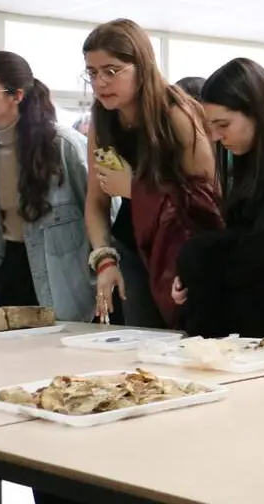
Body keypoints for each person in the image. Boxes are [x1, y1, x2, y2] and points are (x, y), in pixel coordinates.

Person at [83, 19, 221, 329]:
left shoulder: (177, 114)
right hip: (132, 248)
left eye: (111, 71)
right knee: (141, 345)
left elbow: (206, 203)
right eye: (92, 72)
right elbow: (96, 200)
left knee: (188, 340)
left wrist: (134, 188)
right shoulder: (102, 119)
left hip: (181, 249)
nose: (100, 82)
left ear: (142, 67)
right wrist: (105, 260)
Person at [173, 59, 264, 338]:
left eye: (223, 124)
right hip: (259, 301)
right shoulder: (247, 163)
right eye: (211, 126)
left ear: (256, 111)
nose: (216, 136)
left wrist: (202, 268)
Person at [0, 52, 93, 321]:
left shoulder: (63, 144)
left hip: (66, 276)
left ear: (16, 95)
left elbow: (102, 211)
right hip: (11, 274)